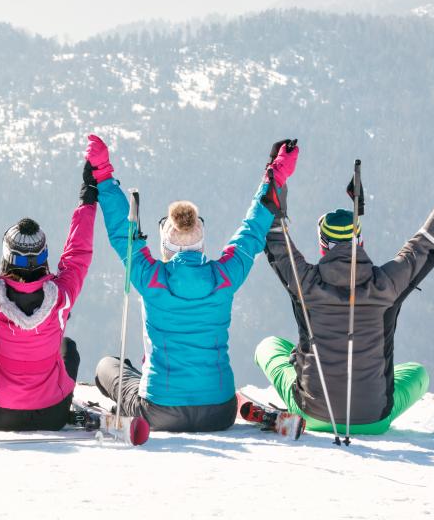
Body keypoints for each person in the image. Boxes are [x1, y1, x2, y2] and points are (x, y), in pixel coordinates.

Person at [256, 148, 434, 435]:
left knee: (268, 347)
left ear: (323, 244)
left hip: (313, 413)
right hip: (375, 419)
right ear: (359, 241)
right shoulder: (388, 284)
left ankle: (300, 364)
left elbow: (273, 233)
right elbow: (428, 239)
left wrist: (276, 173)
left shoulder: (306, 283)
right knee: (417, 372)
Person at [91, 134, 292, 432]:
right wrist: (273, 177)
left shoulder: (151, 278)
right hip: (220, 411)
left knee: (108, 366)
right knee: (209, 380)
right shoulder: (225, 276)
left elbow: (124, 234)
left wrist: (103, 176)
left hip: (160, 410)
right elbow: (251, 232)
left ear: (165, 243)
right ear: (200, 242)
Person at [0, 143, 97, 431]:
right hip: (53, 412)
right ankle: (51, 389)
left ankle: (3, 381)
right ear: (44, 256)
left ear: (7, 256)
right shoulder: (61, 296)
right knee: (67, 346)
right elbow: (78, 254)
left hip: (1, 413)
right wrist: (88, 198)